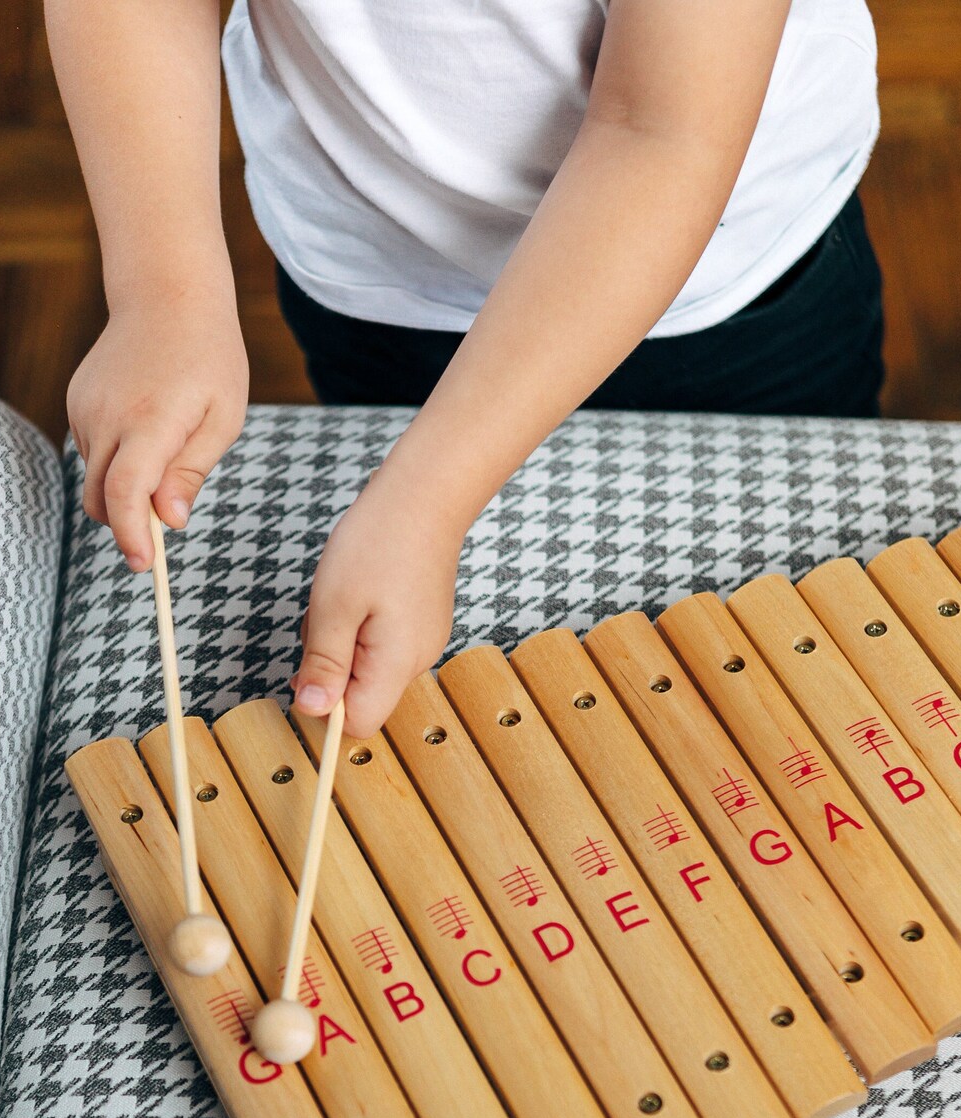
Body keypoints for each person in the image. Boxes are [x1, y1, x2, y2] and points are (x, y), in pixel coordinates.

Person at [47, 0, 881, 738]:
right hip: (377, 273)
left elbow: (660, 132)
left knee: (788, 656)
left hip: (731, 291)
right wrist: (164, 295)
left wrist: (425, 503)